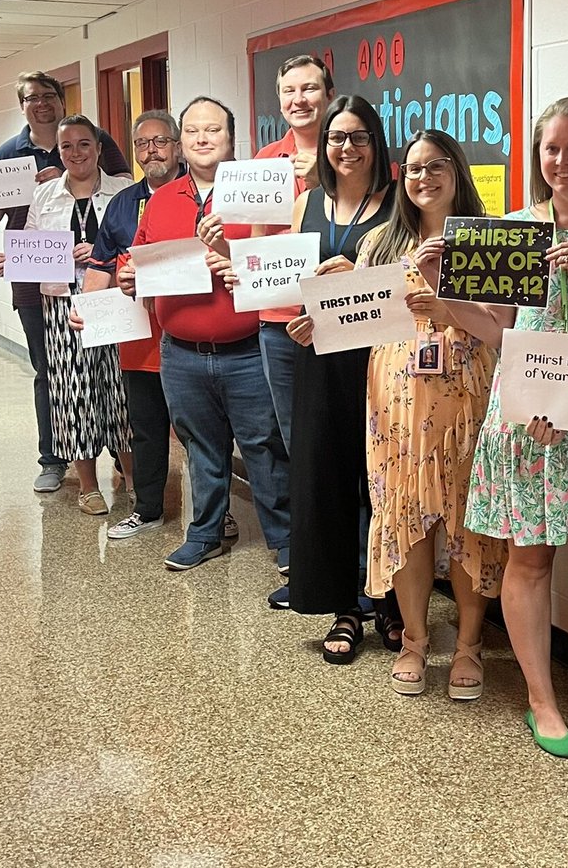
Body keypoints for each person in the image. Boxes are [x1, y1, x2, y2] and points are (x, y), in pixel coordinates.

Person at [464, 97, 568, 757]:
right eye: (551, 149)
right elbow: (497, 331)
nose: (562, 161)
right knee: (530, 558)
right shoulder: (517, 230)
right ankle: (540, 699)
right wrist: (442, 295)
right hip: (528, 417)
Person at [357, 129, 509, 698]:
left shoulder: (490, 239)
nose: (424, 177)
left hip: (468, 395)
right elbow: (358, 322)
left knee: (467, 519)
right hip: (397, 401)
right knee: (405, 517)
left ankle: (469, 644)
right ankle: (417, 641)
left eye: (436, 165)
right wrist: (312, 323)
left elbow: (502, 330)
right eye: (414, 168)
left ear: (458, 170)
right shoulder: (380, 242)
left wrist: (445, 299)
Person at [118, 96, 289, 573]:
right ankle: (206, 534)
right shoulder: (160, 200)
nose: (201, 138)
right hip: (182, 353)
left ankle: (287, 542)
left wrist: (238, 258)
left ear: (231, 139)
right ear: (180, 142)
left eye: (212, 130)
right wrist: (131, 277)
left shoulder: (258, 192)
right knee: (201, 448)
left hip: (250, 349)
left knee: (263, 448)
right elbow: (139, 258)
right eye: (192, 131)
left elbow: (286, 259)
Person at [0, 71, 129, 493]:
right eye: (32, 98)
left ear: (61, 100)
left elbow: (129, 200)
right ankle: (53, 458)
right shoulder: (7, 155)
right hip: (39, 287)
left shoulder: (97, 141)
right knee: (51, 373)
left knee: (115, 376)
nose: (41, 103)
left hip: (104, 286)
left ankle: (125, 460)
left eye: (48, 95)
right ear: (22, 106)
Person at [275, 95, 401, 657]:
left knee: (384, 485)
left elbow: (416, 274)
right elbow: (292, 282)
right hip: (321, 355)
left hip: (384, 360)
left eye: (358, 137)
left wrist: (363, 273)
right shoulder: (307, 205)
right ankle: (344, 607)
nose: (346, 148)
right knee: (326, 482)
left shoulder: (397, 202)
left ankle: (394, 606)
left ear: (376, 142)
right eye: (335, 137)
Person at [74, 110, 233, 541]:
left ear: (177, 146)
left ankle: (218, 514)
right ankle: (147, 509)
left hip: (195, 335)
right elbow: (103, 263)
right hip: (138, 338)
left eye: (161, 141)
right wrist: (87, 308)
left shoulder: (213, 196)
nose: (152, 150)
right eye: (143, 144)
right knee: (145, 428)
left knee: (203, 432)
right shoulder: (125, 204)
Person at [10, 115, 133, 514]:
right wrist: (9, 262)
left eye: (84, 144)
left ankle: (132, 479)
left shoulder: (124, 191)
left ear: (99, 148)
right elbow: (30, 249)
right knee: (72, 393)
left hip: (115, 301)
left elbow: (137, 243)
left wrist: (101, 252)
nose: (75, 153)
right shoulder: (44, 196)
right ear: (58, 152)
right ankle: (87, 485)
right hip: (63, 305)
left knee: (120, 392)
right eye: (67, 147)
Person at [251, 55, 337, 464]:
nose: (299, 99)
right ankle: (308, 527)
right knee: (293, 437)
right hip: (279, 319)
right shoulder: (264, 160)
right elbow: (255, 241)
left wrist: (325, 182)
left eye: (309, 88)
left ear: (329, 95)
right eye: (289, 91)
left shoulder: (351, 153)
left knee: (342, 431)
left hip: (339, 311)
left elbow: (369, 231)